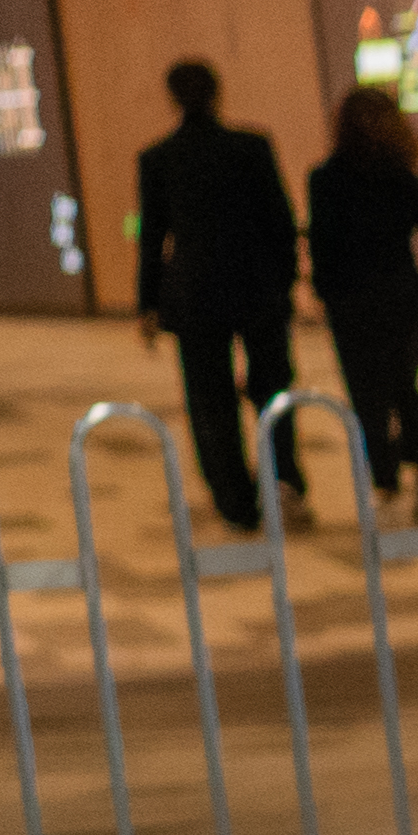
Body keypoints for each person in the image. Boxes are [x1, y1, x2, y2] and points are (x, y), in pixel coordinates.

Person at [133, 58, 301, 533]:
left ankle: (234, 498)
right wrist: (285, 281)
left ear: (172, 99)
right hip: (258, 288)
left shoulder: (159, 158)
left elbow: (153, 239)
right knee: (273, 387)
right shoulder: (251, 147)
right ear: (217, 93)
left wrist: (146, 304)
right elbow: (280, 221)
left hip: (195, 293)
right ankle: (283, 478)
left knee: (209, 398)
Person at [305, 84, 418, 511]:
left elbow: (323, 245)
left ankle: (385, 484)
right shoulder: (405, 177)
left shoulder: (325, 179)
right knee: (404, 387)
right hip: (402, 295)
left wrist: (323, 294)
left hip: (351, 301)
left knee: (366, 396)